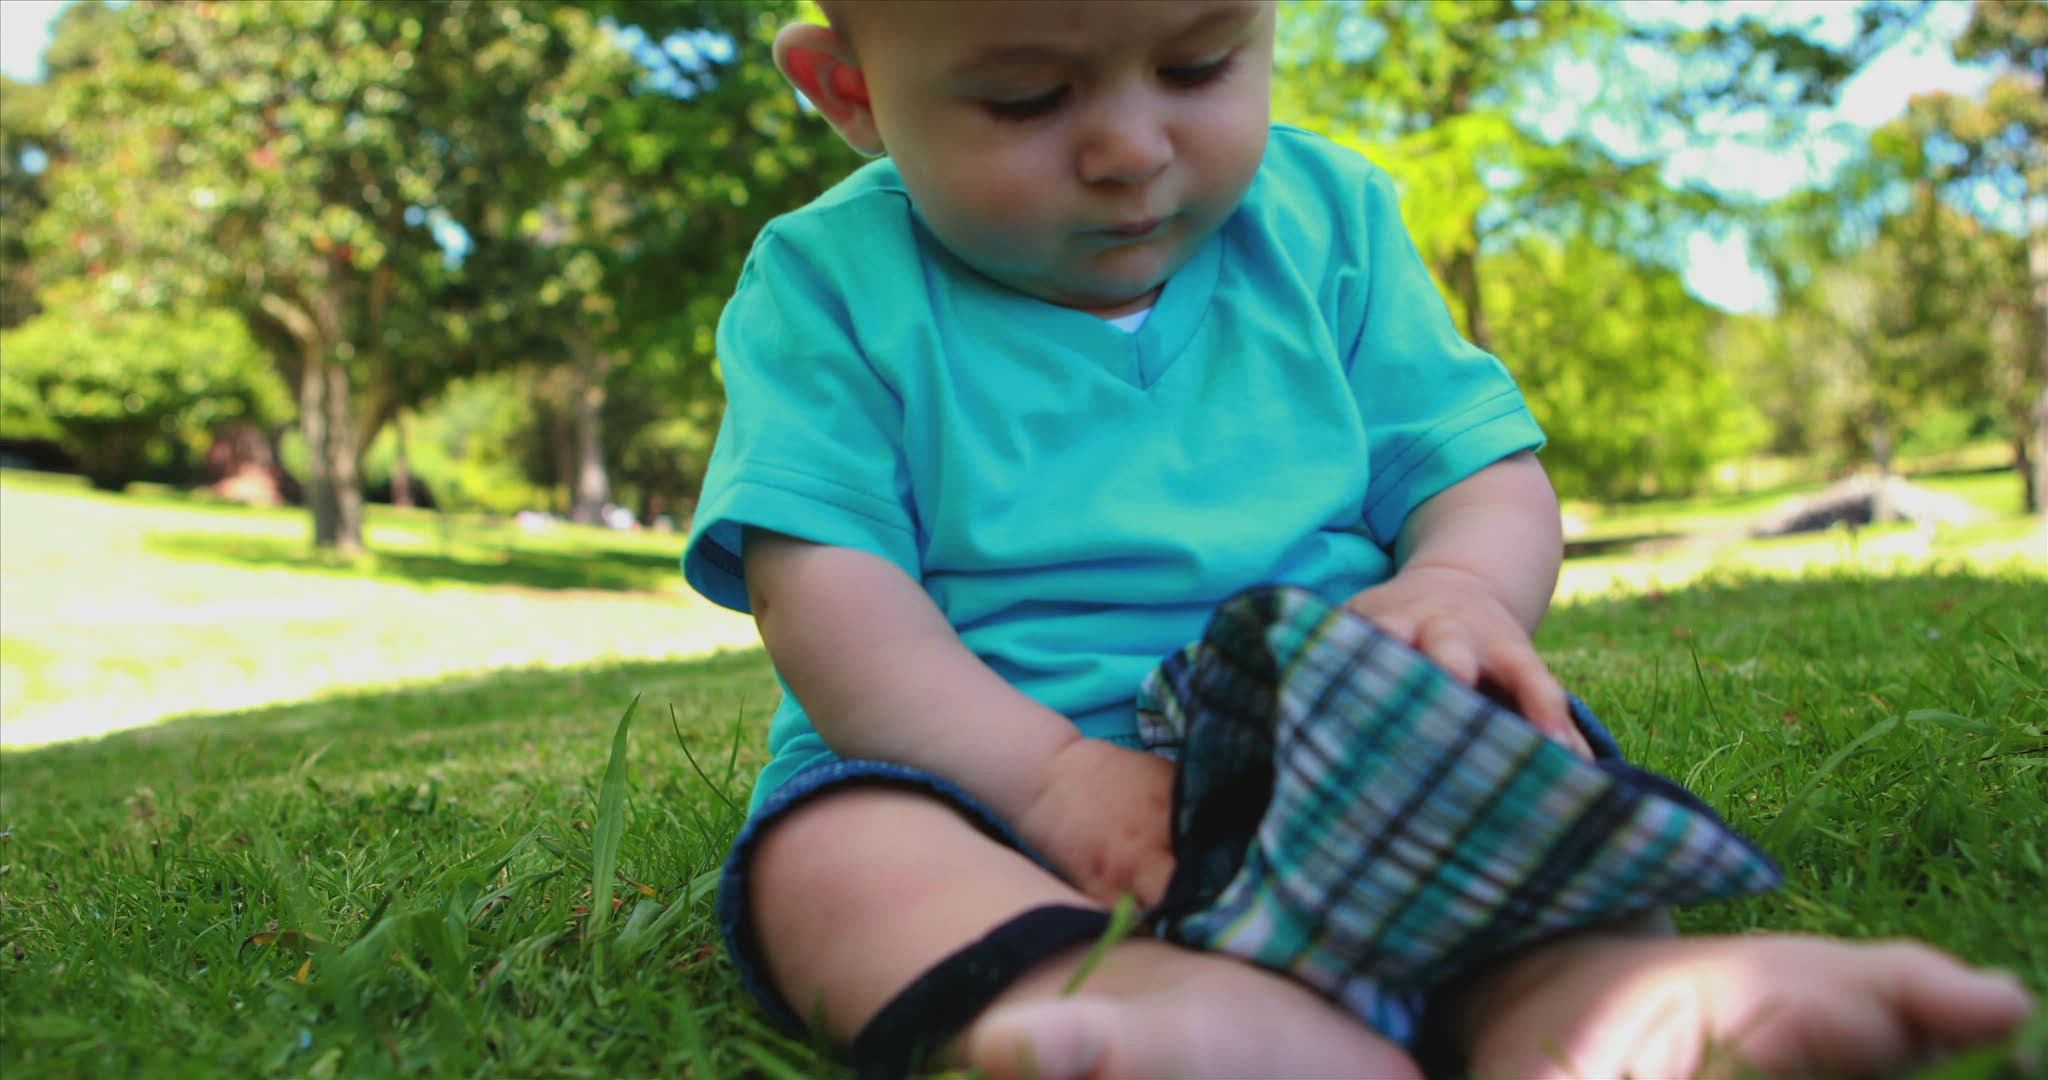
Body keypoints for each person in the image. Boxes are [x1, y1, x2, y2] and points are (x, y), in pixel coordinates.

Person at [682, 2, 2036, 1076]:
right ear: (852, 92)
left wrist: (1456, 586)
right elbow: (828, 591)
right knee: (835, 861)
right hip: (970, 772)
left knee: (1496, 761)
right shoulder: (825, 281)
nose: (1132, 148)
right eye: (1028, 98)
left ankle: (1592, 1004)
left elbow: (1476, 472)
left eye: (1200, 64)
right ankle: (1120, 999)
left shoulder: (1330, 221)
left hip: (1333, 720)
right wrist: (1045, 781)